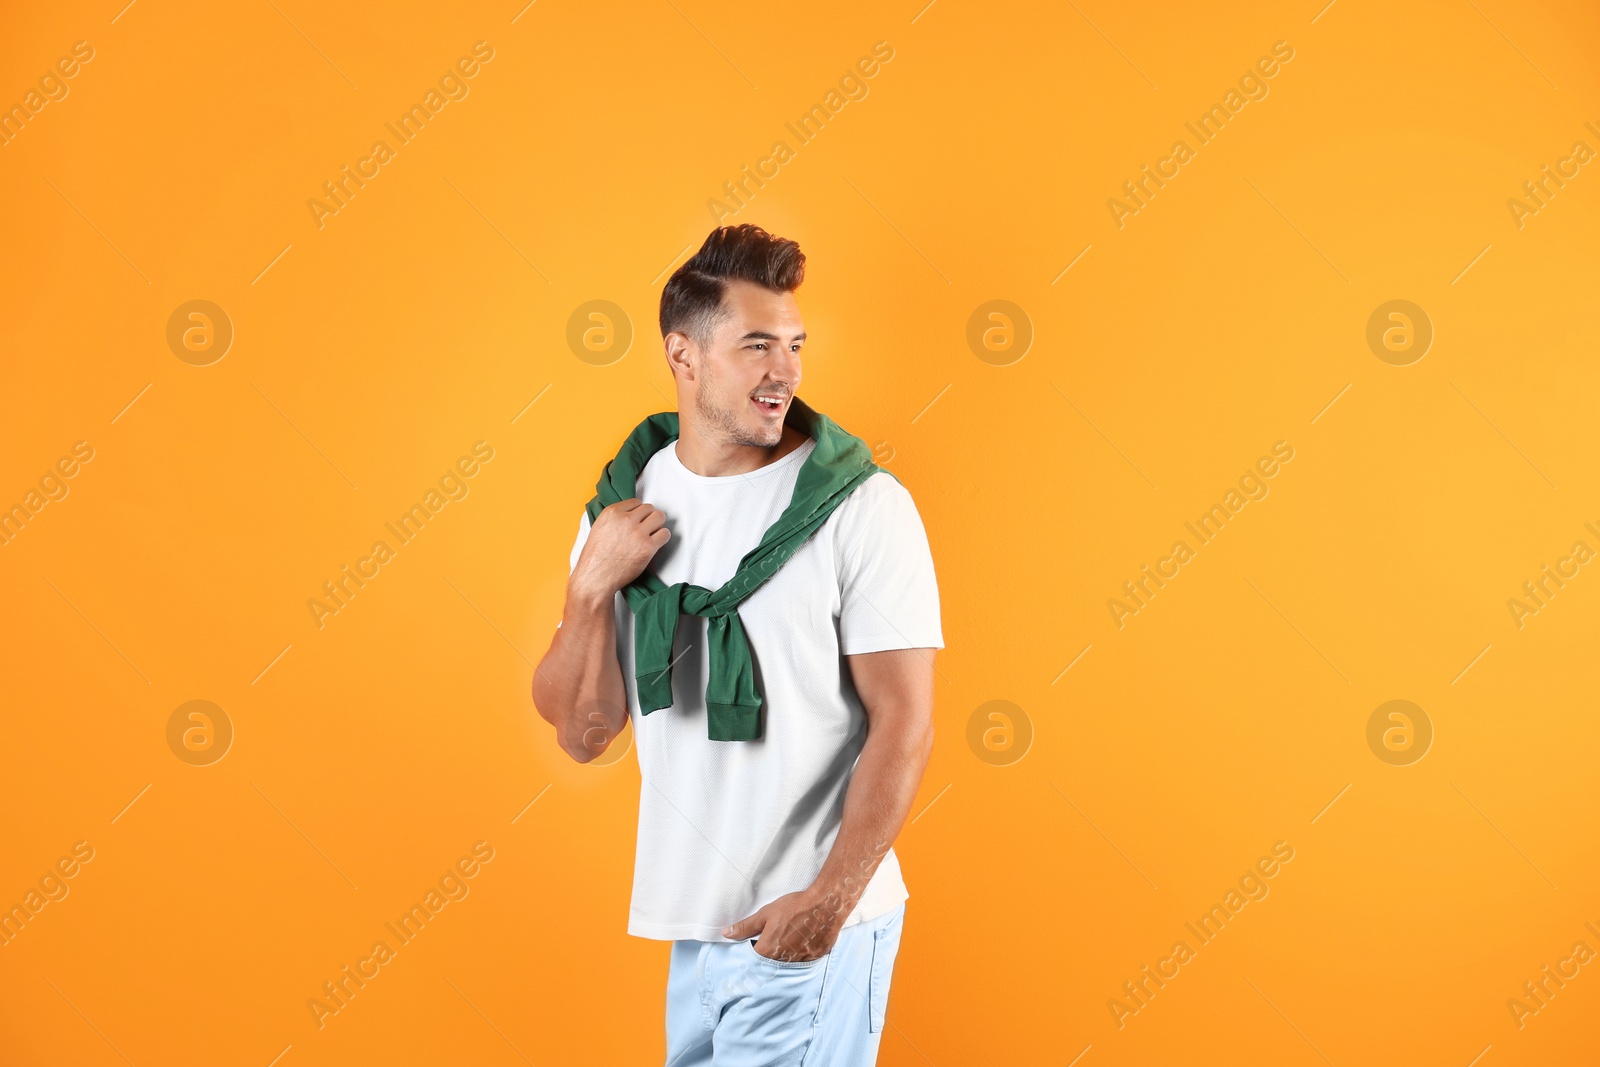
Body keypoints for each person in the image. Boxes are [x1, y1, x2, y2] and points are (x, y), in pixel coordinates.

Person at [532, 223, 944, 1066]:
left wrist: (826, 904)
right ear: (684, 356)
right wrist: (589, 586)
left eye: (794, 344)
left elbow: (905, 723)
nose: (786, 369)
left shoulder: (860, 506)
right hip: (694, 926)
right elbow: (583, 730)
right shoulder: (625, 504)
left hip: (811, 919)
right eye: (758, 344)